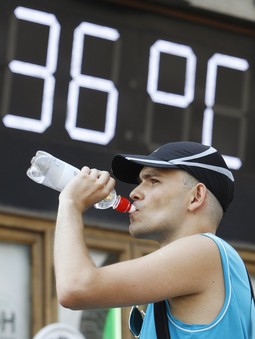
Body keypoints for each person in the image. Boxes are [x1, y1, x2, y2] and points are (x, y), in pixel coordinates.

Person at [54, 141, 255, 338]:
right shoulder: (194, 267)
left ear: (196, 196)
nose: (134, 193)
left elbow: (75, 287)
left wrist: (70, 203)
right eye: (141, 181)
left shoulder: (204, 250)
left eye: (154, 181)